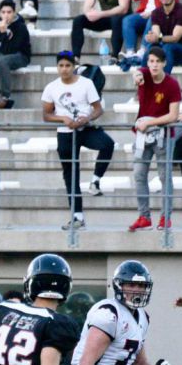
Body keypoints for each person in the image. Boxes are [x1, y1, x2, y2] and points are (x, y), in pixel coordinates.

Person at [42, 50, 113, 231]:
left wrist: (86, 119)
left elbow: (98, 109)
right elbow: (47, 115)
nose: (64, 69)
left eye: (68, 66)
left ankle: (95, 180)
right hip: (65, 132)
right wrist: (63, 119)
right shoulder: (51, 87)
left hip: (85, 128)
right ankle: (77, 216)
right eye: (61, 66)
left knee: (107, 144)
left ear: (74, 67)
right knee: (70, 174)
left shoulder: (86, 83)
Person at [127, 48, 181, 232]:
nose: (154, 65)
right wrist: (136, 75)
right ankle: (144, 216)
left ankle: (166, 217)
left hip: (163, 135)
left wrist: (151, 122)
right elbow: (137, 73)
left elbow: (173, 116)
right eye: (151, 61)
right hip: (143, 135)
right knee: (139, 174)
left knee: (164, 177)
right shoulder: (144, 75)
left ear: (164, 63)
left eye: (158, 61)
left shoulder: (172, 84)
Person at [0, 0, 31, 109]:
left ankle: (6, 96)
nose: (6, 15)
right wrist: (2, 33)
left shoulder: (21, 26)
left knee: (2, 60)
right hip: (4, 54)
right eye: (3, 12)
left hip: (21, 56)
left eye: (9, 12)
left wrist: (4, 33)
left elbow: (12, 48)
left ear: (14, 12)